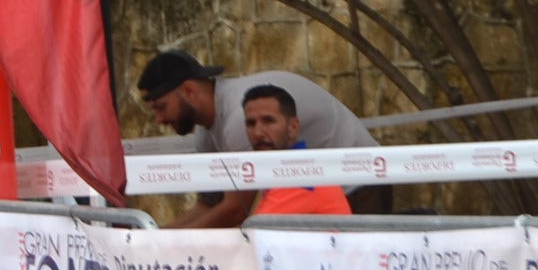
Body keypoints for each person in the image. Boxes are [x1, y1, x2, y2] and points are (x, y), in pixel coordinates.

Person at [137, 49, 376, 227]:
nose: (158, 119)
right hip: (324, 186)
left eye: (161, 107)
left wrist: (160, 245)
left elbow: (234, 212)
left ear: (189, 91)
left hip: (359, 184)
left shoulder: (238, 120)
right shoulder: (208, 132)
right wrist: (154, 237)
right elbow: (208, 206)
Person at [240, 83, 353, 219]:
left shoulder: (302, 176)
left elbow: (255, 235)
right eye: (251, 123)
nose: (258, 132)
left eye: (268, 121)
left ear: (293, 127)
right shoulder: (288, 171)